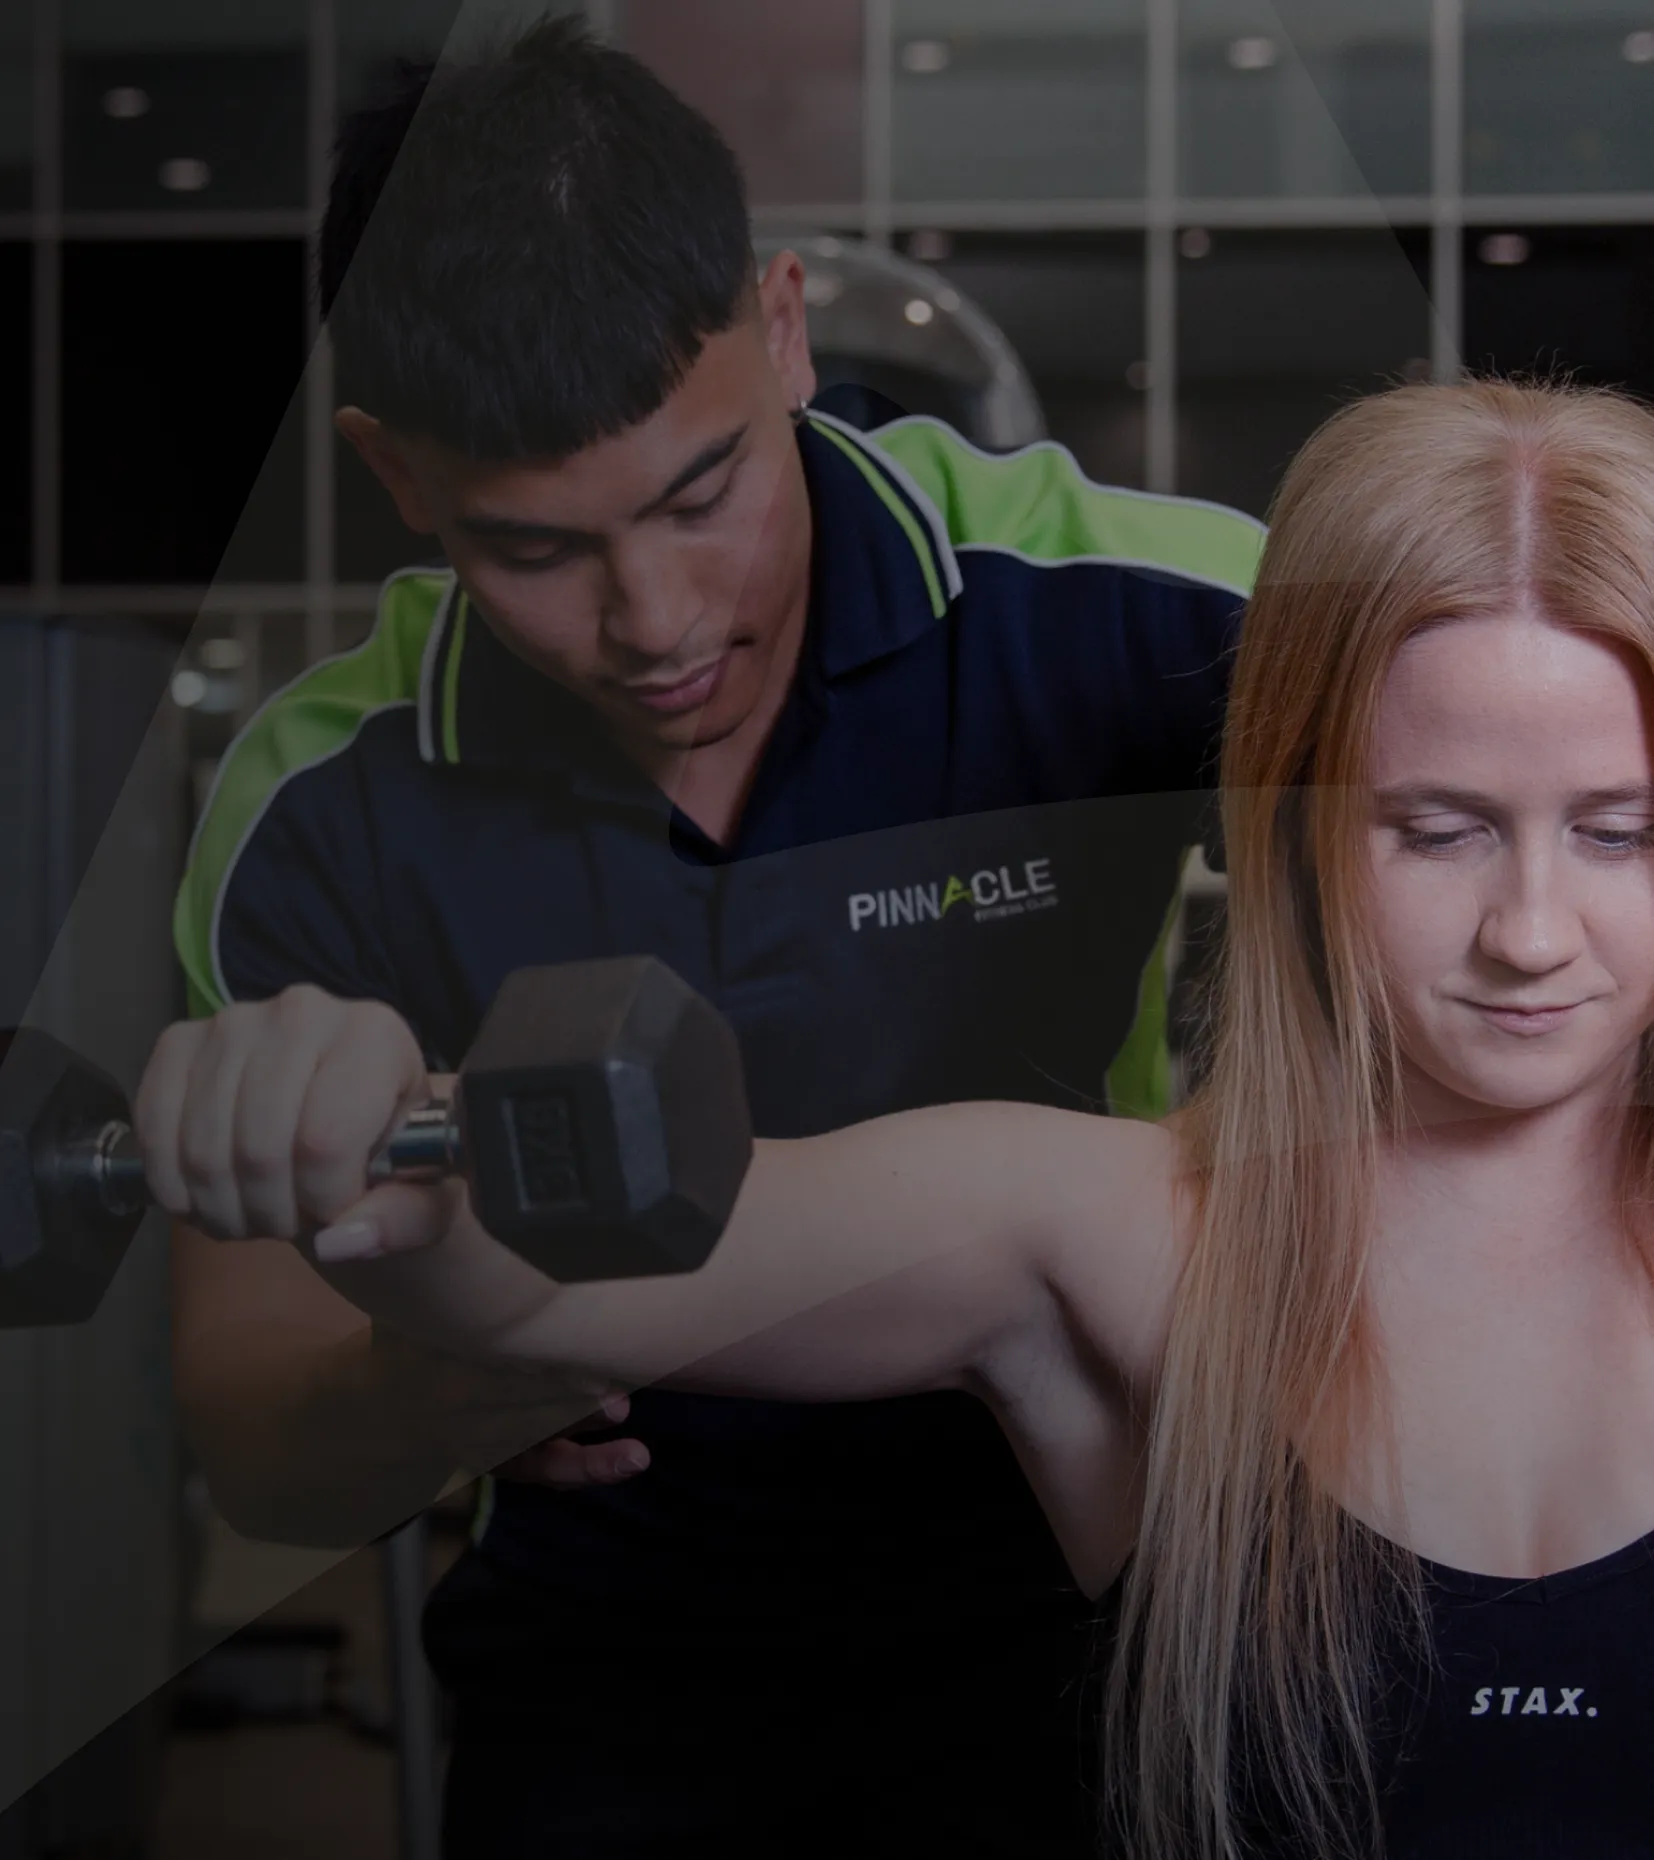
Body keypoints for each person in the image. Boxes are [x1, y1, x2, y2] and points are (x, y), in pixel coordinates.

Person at [144, 375, 1654, 1858]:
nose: (1529, 930)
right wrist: (358, 1154)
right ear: (1297, 833)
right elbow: (557, 1283)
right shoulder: (1110, 1234)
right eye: (1436, 831)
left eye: (1618, 831)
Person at [164, 17, 1261, 1857]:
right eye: (539, 551)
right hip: (615, 1672)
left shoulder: (1118, 607)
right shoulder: (314, 804)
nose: (657, 619)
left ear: (782, 329)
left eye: (702, 493)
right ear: (398, 472)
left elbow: (1539, 757)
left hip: (1094, 1605)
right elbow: (260, 1443)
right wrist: (431, 1378)